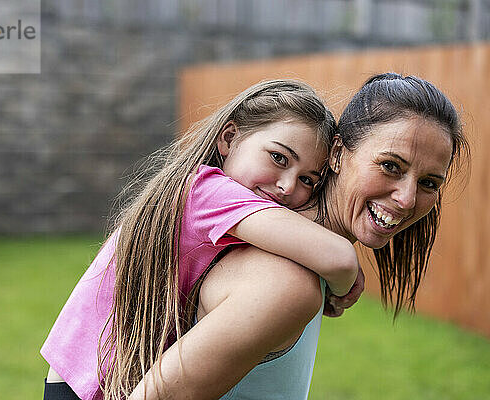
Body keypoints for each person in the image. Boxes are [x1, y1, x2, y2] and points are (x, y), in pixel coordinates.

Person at [128, 73, 469, 400]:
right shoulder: (288, 280)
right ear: (337, 154)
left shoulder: (303, 262)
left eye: (429, 183)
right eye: (391, 166)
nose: (407, 198)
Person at [41, 80, 361, 400]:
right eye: (279, 158)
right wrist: (342, 289)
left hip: (87, 370)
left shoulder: (209, 196)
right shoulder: (210, 192)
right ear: (229, 138)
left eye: (307, 179)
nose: (288, 186)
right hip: (91, 380)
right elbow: (340, 258)